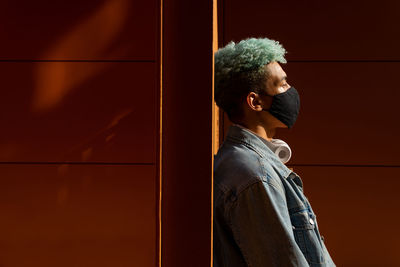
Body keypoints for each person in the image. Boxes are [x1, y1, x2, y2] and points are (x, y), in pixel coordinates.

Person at [213, 38, 335, 267]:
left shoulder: (251, 163)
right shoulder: (254, 175)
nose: (290, 92)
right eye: (282, 85)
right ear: (255, 101)